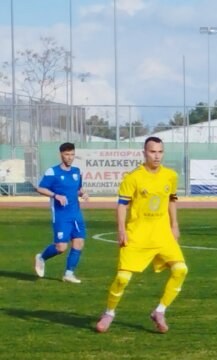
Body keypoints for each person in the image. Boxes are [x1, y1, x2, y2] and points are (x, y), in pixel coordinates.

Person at [95, 137, 189, 334]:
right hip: (137, 235)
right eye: (152, 152)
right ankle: (109, 313)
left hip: (162, 234)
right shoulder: (133, 178)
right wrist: (121, 229)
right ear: (144, 153)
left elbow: (171, 200)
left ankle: (160, 311)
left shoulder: (170, 176)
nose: (157, 156)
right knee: (122, 278)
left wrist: (174, 224)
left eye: (160, 152)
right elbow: (122, 205)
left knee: (181, 269)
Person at [34, 142, 89, 283]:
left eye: (72, 154)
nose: (70, 157)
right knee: (61, 247)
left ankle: (68, 274)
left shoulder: (77, 172)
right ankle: (41, 257)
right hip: (61, 215)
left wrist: (82, 193)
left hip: (76, 214)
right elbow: (40, 188)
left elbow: (78, 189)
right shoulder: (53, 172)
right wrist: (55, 195)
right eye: (67, 154)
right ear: (61, 155)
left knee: (79, 242)